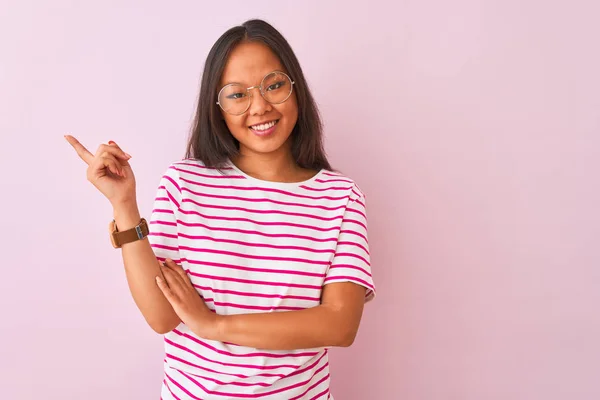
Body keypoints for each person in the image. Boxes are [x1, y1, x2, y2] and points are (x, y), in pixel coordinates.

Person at [66, 18, 375, 400]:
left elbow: (340, 325)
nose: (259, 106)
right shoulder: (184, 183)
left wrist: (212, 326)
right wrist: (124, 204)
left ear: (295, 89)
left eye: (274, 85)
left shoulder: (340, 196)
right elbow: (162, 317)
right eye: (237, 94)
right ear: (218, 108)